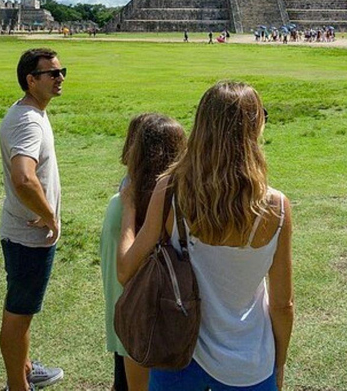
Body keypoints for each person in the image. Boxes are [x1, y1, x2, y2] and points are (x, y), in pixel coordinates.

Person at [118, 81, 294, 391]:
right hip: (248, 363)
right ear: (254, 128)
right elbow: (282, 304)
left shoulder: (171, 189)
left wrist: (130, 207)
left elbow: (125, 269)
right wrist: (278, 363)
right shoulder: (276, 207)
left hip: (178, 353)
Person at [100, 113, 186, 391]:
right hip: (176, 324)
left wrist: (128, 211)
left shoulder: (122, 204)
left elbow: (118, 274)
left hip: (130, 326)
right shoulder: (183, 200)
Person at [0, 49, 67, 391]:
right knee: (19, 314)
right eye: (52, 73)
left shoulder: (30, 112)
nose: (61, 78)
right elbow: (23, 178)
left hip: (21, 231)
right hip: (28, 236)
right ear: (31, 80)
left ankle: (24, 369)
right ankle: (18, 385)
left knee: (20, 309)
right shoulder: (27, 120)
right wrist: (49, 215)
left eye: (62, 71)